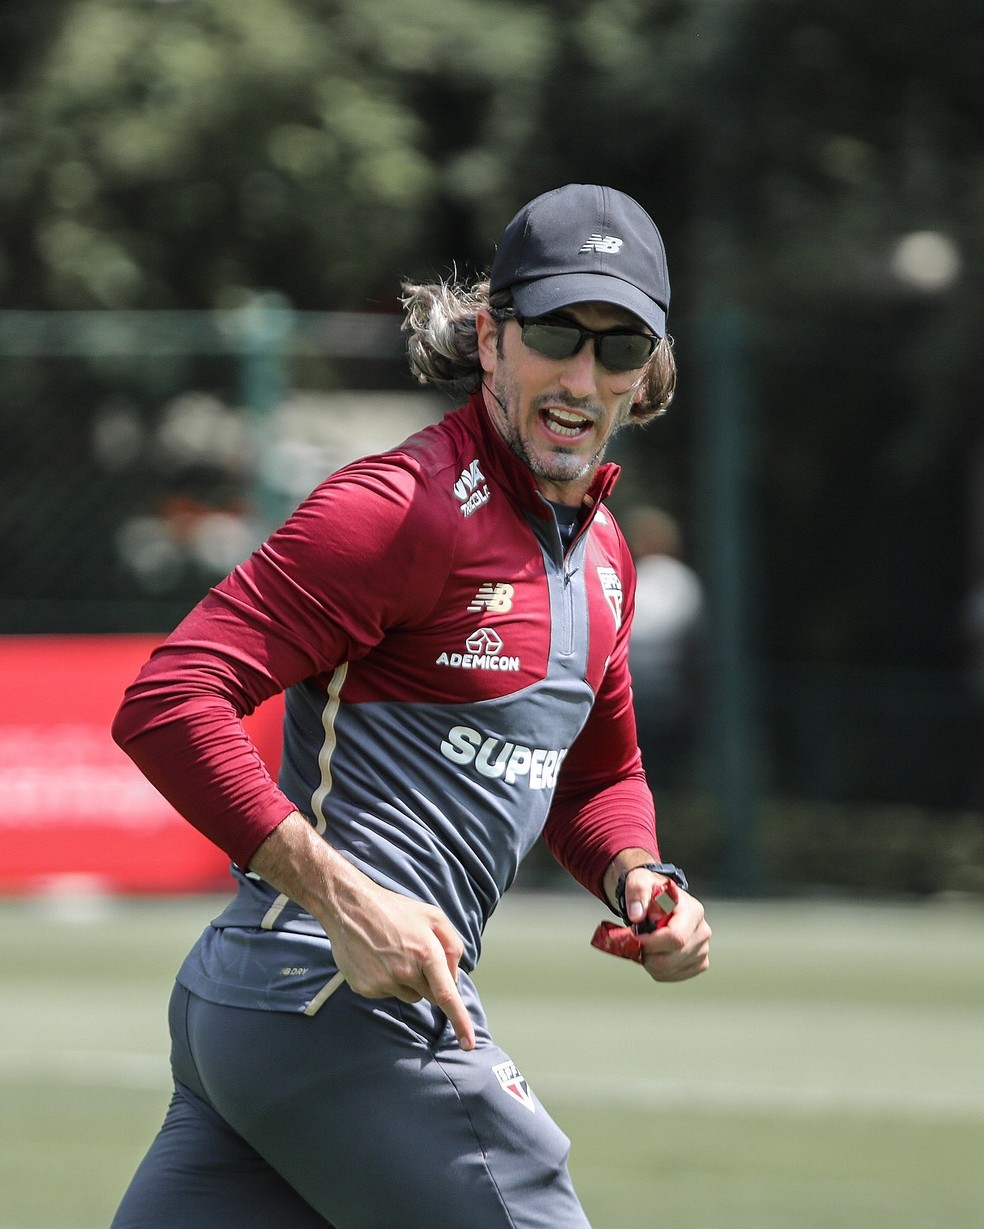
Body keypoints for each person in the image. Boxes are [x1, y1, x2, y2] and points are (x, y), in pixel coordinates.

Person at [110, 182, 712, 1229]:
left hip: (262, 1020)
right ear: (490, 338)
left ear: (648, 376)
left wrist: (641, 876)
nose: (582, 376)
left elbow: (597, 773)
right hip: (338, 1000)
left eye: (618, 349)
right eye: (557, 333)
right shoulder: (399, 509)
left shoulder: (605, 555)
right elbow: (171, 697)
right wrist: (346, 898)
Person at [624, 505, 704, 789]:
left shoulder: (673, 578)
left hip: (658, 696)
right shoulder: (640, 574)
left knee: (651, 775)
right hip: (643, 695)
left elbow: (650, 633)